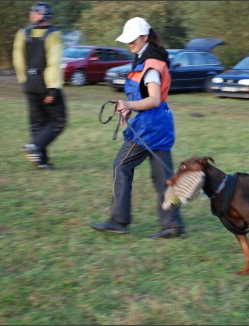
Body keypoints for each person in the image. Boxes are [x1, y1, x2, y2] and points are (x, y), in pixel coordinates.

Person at [90, 17, 185, 239]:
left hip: (150, 126)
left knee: (121, 165)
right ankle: (173, 226)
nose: (129, 44)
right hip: (159, 123)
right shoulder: (147, 59)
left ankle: (118, 220)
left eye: (132, 39)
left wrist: (128, 104)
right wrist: (130, 108)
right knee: (163, 177)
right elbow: (148, 97)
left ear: (144, 37)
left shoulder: (151, 64)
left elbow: (152, 99)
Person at [12, 2, 67, 169]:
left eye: (34, 12)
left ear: (42, 14)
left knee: (38, 123)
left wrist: (24, 81)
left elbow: (17, 59)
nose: (31, 14)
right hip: (45, 84)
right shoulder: (53, 34)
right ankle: (34, 147)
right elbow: (53, 62)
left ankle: (41, 162)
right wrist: (52, 89)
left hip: (29, 82)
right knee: (59, 121)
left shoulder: (23, 33)